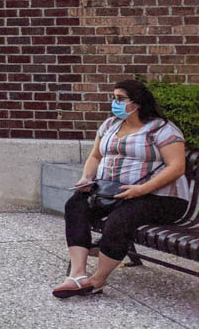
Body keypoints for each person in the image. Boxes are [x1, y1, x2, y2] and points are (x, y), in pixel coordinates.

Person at [54, 79, 188, 298]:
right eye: (113, 98)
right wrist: (86, 178)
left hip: (160, 197)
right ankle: (77, 275)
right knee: (76, 204)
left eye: (120, 98)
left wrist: (142, 189)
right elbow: (95, 156)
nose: (114, 103)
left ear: (137, 102)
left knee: (121, 218)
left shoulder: (162, 129)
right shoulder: (110, 125)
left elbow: (177, 167)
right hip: (113, 191)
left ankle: (96, 281)